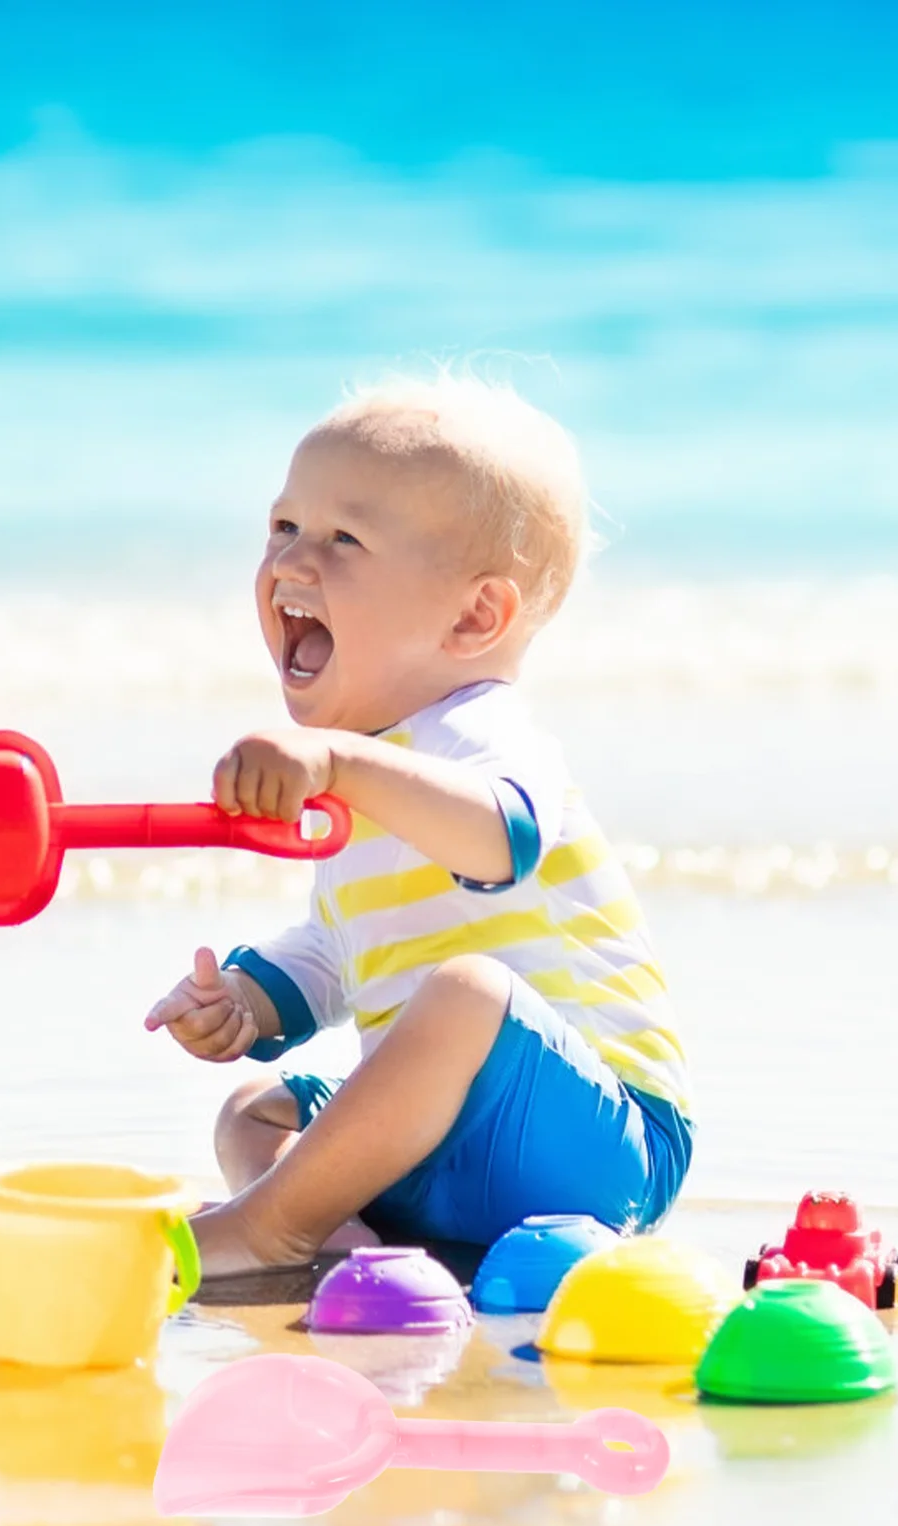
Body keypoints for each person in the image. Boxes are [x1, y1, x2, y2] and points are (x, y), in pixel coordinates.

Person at [144, 373, 693, 1277]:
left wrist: (342, 765)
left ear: (475, 616)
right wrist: (247, 1002)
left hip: (605, 1142)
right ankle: (335, 1232)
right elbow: (341, 947)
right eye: (283, 527)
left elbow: (500, 839)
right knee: (255, 1109)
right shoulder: (371, 765)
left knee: (467, 993)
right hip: (449, 1146)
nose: (290, 562)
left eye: (343, 539)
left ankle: (268, 1228)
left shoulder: (480, 732)